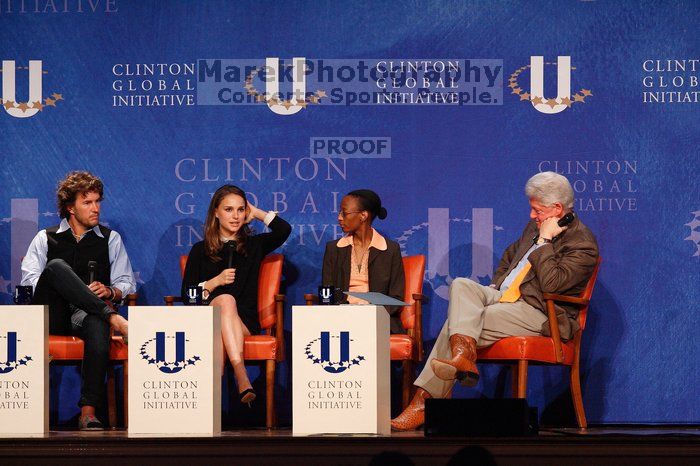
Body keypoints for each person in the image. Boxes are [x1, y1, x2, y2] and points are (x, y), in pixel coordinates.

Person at [391, 172, 599, 431]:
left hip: (540, 312)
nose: (532, 216)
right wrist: (497, 285)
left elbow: (553, 285)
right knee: (461, 285)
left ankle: (425, 400)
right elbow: (511, 257)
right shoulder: (533, 228)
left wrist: (545, 242)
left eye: (537, 210)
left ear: (557, 209)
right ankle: (462, 357)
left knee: (459, 323)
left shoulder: (583, 244)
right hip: (505, 297)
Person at [21, 171, 135, 431]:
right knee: (56, 267)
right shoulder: (45, 238)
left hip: (87, 315)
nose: (96, 209)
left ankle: (88, 412)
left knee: (97, 322)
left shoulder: (110, 239)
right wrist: (68, 287)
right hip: (52, 314)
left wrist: (110, 292)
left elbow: (126, 283)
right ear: (70, 207)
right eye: (88, 203)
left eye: (97, 202)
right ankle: (114, 317)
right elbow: (30, 283)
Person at [180, 185, 291, 405]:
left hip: (244, 321)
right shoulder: (200, 250)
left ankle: (208, 404)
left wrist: (257, 212)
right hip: (207, 320)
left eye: (241, 210)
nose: (236, 216)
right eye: (229, 209)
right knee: (224, 301)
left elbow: (283, 230)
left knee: (226, 303)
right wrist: (214, 282)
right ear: (216, 213)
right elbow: (187, 296)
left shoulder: (254, 245)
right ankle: (241, 375)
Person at [322, 189, 405, 334]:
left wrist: (370, 314)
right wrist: (338, 312)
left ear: (363, 215)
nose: (339, 218)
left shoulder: (390, 249)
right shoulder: (334, 248)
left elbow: (395, 297)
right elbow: (326, 292)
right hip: (340, 319)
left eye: (344, 213)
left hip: (377, 320)